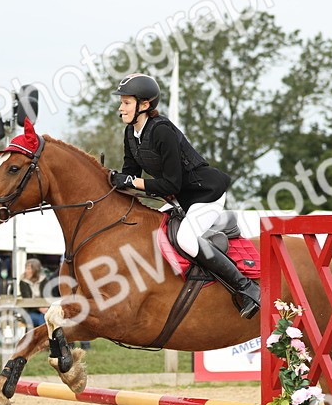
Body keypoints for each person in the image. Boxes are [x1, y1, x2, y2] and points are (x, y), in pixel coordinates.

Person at [107, 73, 259, 319]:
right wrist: (112, 179)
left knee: (187, 240)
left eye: (126, 102)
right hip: (180, 200)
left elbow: (170, 182)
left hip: (205, 195)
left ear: (144, 105)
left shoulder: (162, 131)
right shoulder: (131, 134)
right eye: (121, 102)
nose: (120, 107)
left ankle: (247, 287)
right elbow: (130, 174)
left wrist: (133, 182)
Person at [18, 258, 48, 328]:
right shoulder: (23, 282)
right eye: (26, 268)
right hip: (29, 311)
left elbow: (47, 295)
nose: (26, 271)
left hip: (45, 309)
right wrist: (39, 308)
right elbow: (27, 299)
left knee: (44, 317)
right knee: (42, 319)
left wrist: (45, 308)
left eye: (29, 269)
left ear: (35, 270)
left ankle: (42, 337)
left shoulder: (44, 280)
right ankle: (45, 337)